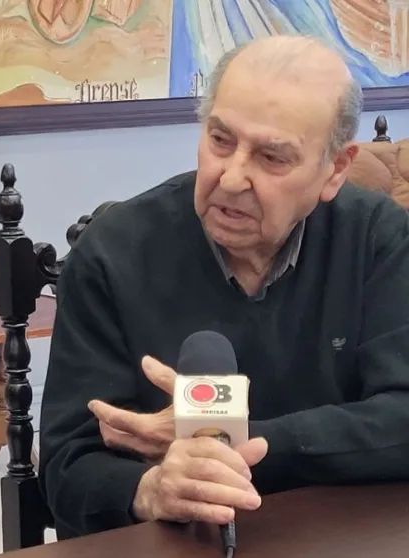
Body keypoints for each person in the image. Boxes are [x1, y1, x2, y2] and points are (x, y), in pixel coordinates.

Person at [39, 34, 409, 541]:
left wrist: (234, 443)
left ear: (335, 170)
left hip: (340, 537)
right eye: (220, 140)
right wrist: (150, 489)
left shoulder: (377, 239)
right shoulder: (112, 254)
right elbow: (66, 468)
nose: (231, 178)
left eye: (272, 157)